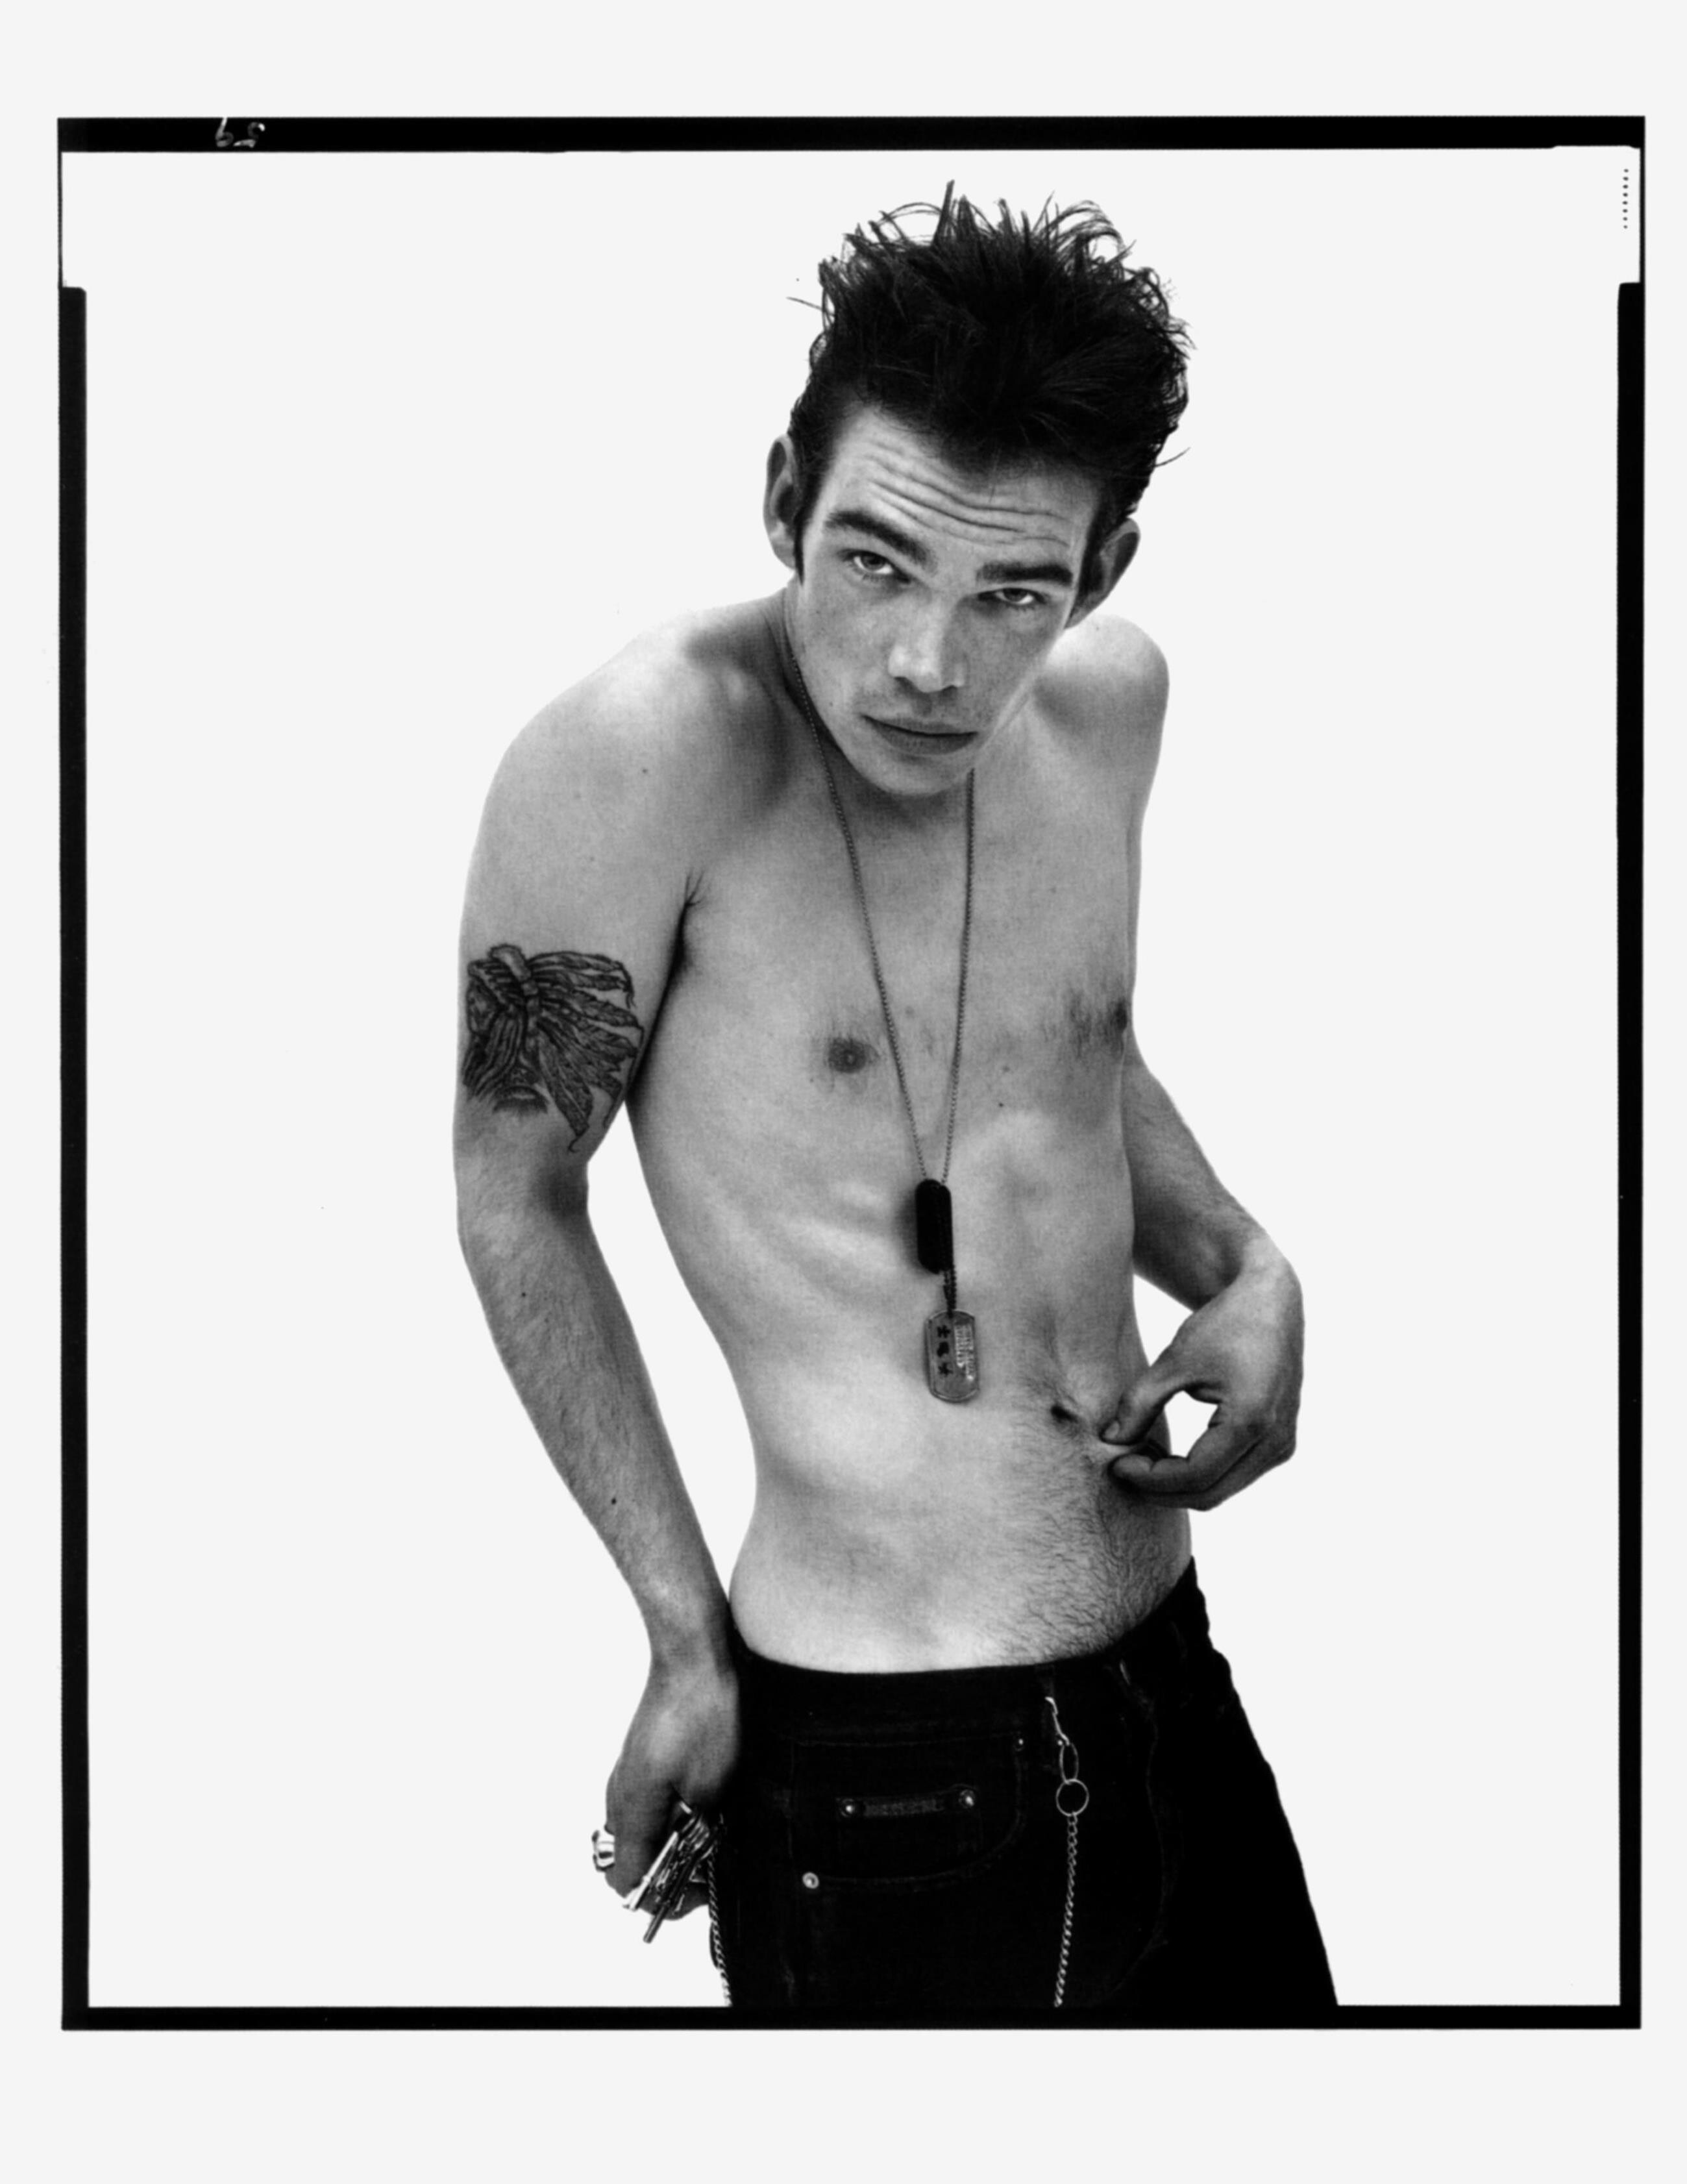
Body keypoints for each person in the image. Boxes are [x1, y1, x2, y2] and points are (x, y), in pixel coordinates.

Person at [453, 190, 1335, 2020]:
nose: (932, 660)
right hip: (884, 1773)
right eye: (876, 562)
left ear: (1102, 573)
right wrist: (681, 1634)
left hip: (1170, 1685)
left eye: (1013, 593)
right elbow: (515, 1189)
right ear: (787, 497)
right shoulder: (639, 757)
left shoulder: (1108, 711)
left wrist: (1246, 1266)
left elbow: (1071, 1056)